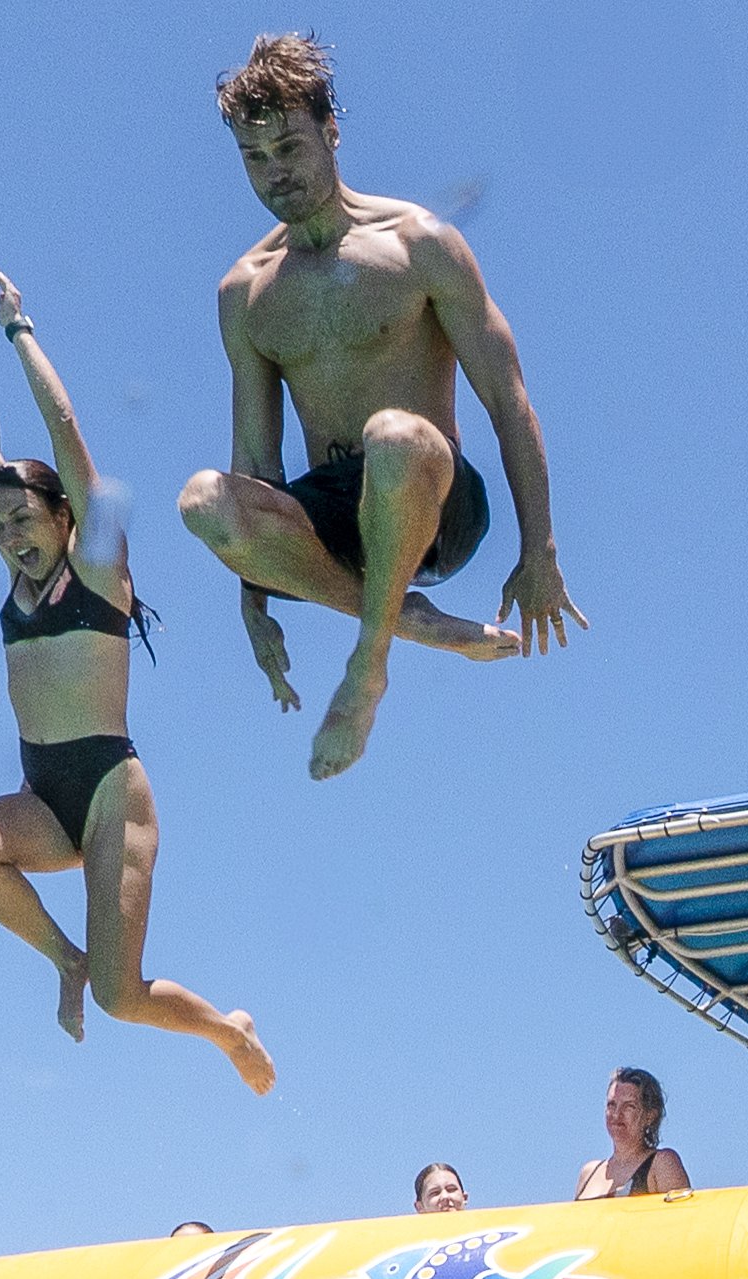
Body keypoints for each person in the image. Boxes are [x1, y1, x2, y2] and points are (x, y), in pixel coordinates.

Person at [174, 33, 584, 780]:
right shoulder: (245, 291)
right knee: (202, 500)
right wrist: (253, 598)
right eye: (253, 158)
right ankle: (404, 616)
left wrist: (540, 550)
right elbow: (256, 464)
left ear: (331, 131)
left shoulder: (419, 244)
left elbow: (507, 398)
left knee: (391, 435)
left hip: (434, 492)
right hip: (330, 515)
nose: (275, 174)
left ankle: (367, 666)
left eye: (289, 148)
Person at [0, 259, 274, 1095]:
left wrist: (18, 332)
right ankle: (64, 958)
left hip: (111, 795)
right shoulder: (17, 582)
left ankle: (227, 1031)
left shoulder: (94, 571)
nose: (8, 532)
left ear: (63, 516)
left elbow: (62, 431)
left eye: (22, 516)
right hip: (42, 795)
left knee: (124, 999)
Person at [574, 1066, 692, 1199]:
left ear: (650, 1115)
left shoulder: (662, 1164)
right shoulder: (589, 1173)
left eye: (629, 1106)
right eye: (611, 1105)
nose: (617, 1114)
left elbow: (684, 1216)